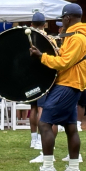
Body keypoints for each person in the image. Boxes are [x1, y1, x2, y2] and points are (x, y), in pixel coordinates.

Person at [28, 3, 86, 171]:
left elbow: (64, 63)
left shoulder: (77, 38)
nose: (62, 22)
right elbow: (65, 57)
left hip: (67, 85)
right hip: (71, 84)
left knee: (44, 123)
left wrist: (41, 56)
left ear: (68, 18)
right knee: (71, 127)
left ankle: (48, 169)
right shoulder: (75, 36)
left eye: (62, 19)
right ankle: (73, 170)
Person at [28, 12, 49, 149]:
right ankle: (41, 139)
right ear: (44, 25)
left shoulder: (26, 38)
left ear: (31, 24)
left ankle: (33, 139)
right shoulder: (48, 38)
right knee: (41, 108)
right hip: (43, 77)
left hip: (31, 76)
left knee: (33, 108)